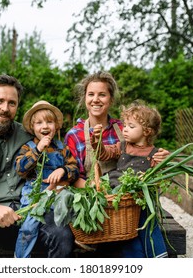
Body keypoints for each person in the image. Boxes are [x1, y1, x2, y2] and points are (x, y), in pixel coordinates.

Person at [0, 75, 74, 258]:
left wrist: (62, 176)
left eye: (11, 103)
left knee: (62, 235)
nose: (5, 108)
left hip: (33, 208)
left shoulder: (29, 135)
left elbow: (61, 157)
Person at [64, 71, 169, 256]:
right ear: (85, 98)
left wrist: (160, 158)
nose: (96, 99)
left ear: (110, 99)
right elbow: (72, 177)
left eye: (102, 94)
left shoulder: (125, 128)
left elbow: (145, 152)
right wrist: (96, 190)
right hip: (95, 204)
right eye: (91, 94)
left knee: (134, 239)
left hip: (127, 207)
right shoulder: (75, 134)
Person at [90, 101, 168, 258]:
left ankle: (158, 255)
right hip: (120, 197)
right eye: (125, 125)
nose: (125, 129)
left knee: (148, 224)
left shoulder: (153, 153)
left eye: (131, 126)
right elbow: (103, 154)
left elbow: (160, 178)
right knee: (127, 233)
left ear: (146, 131)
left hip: (140, 200)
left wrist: (164, 162)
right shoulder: (123, 146)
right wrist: (97, 141)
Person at [14, 100, 79, 258]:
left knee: (67, 219)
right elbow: (20, 169)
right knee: (29, 226)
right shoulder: (28, 147)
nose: (45, 126)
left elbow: (75, 170)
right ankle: (20, 258)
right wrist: (37, 150)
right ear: (32, 127)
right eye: (39, 123)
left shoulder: (62, 148)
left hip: (56, 195)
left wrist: (63, 170)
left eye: (49, 122)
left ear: (56, 126)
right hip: (34, 197)